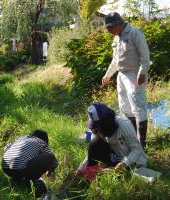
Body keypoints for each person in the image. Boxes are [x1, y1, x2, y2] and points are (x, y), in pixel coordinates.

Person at [102, 12, 151, 148]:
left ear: (118, 24)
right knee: (125, 107)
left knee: (138, 107)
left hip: (134, 74)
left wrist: (142, 72)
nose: (109, 31)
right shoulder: (116, 39)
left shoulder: (135, 33)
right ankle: (132, 139)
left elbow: (145, 55)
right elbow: (115, 60)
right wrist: (108, 75)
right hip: (121, 75)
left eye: (110, 28)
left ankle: (142, 143)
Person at [74, 102, 147, 181]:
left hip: (131, 161)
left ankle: (102, 172)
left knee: (121, 177)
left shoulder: (123, 125)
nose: (95, 130)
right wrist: (80, 169)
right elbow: (92, 152)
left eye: (97, 127)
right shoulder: (99, 131)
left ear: (105, 123)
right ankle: (90, 175)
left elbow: (136, 149)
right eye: (94, 128)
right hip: (115, 158)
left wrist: (124, 163)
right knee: (94, 142)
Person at [2, 130, 58, 198]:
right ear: (45, 139)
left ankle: (17, 179)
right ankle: (28, 181)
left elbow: (6, 148)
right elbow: (54, 160)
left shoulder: (22, 138)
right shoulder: (42, 142)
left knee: (22, 162)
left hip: (5, 167)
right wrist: (49, 172)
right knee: (51, 157)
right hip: (19, 169)